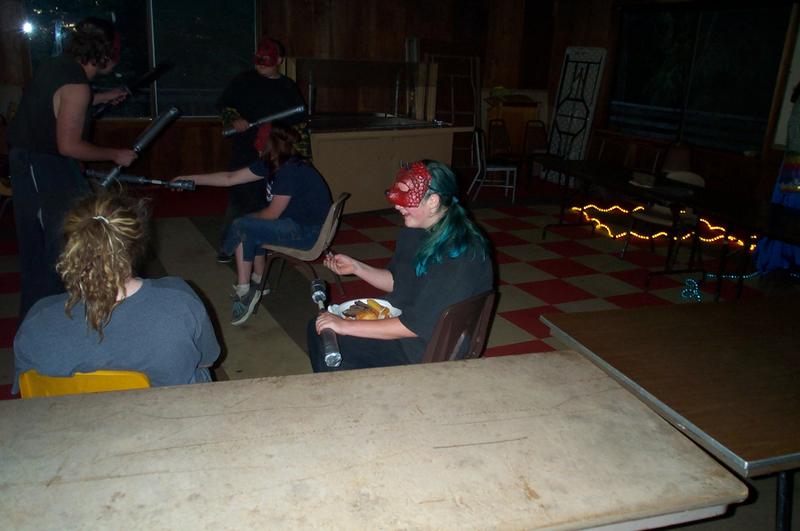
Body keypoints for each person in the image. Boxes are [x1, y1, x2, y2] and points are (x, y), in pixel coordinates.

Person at [13, 192, 219, 395]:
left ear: (71, 247)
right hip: (164, 413)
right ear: (138, 245)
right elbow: (207, 360)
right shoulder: (178, 301)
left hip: (70, 416)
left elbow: (28, 389)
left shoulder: (37, 319)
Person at [7, 17, 137, 320]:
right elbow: (69, 146)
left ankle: (57, 315)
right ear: (106, 53)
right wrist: (115, 154)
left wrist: (100, 97)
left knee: (47, 245)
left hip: (30, 163)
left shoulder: (56, 67)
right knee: (55, 249)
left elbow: (58, 102)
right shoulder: (77, 86)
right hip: (44, 168)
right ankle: (47, 322)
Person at [308, 160, 493, 371]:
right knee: (320, 329)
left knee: (330, 344)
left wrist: (345, 326)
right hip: (407, 326)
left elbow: (415, 326)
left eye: (405, 198)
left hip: (424, 349)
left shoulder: (460, 254)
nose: (397, 205)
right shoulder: (414, 231)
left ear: (433, 201)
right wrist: (357, 267)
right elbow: (398, 282)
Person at [177, 122, 332, 326]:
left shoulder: (290, 170)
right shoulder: (273, 163)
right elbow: (230, 178)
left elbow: (272, 214)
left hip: (309, 233)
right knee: (248, 226)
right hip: (294, 224)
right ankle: (259, 280)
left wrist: (244, 223)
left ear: (269, 146)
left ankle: (244, 290)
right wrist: (189, 179)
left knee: (244, 226)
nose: (256, 149)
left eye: (260, 145)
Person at [216, 35, 308, 263]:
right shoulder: (243, 81)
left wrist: (302, 156)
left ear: (280, 60)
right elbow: (224, 106)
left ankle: (260, 244)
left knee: (269, 199)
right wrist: (234, 119)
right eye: (258, 61)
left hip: (275, 152)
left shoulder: (287, 87)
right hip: (246, 149)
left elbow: (299, 125)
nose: (261, 66)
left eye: (267, 61)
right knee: (240, 196)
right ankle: (228, 245)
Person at [755, 81, 800, 277]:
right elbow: (795, 140)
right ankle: (783, 260)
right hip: (796, 167)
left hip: (794, 165)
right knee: (788, 214)